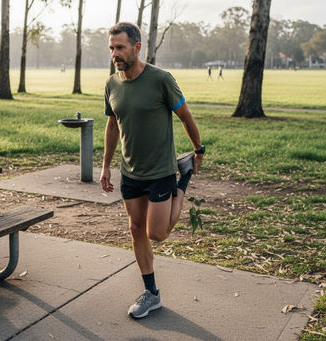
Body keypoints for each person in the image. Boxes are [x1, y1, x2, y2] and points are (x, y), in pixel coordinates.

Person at [100, 22, 204, 319]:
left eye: (120, 47)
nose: (115, 54)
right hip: (130, 171)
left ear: (137, 47)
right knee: (136, 229)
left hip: (160, 170)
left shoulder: (161, 80)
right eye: (111, 48)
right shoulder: (111, 84)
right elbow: (112, 124)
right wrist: (106, 166)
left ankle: (182, 180)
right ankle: (151, 293)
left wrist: (198, 149)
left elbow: (184, 115)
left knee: (156, 233)